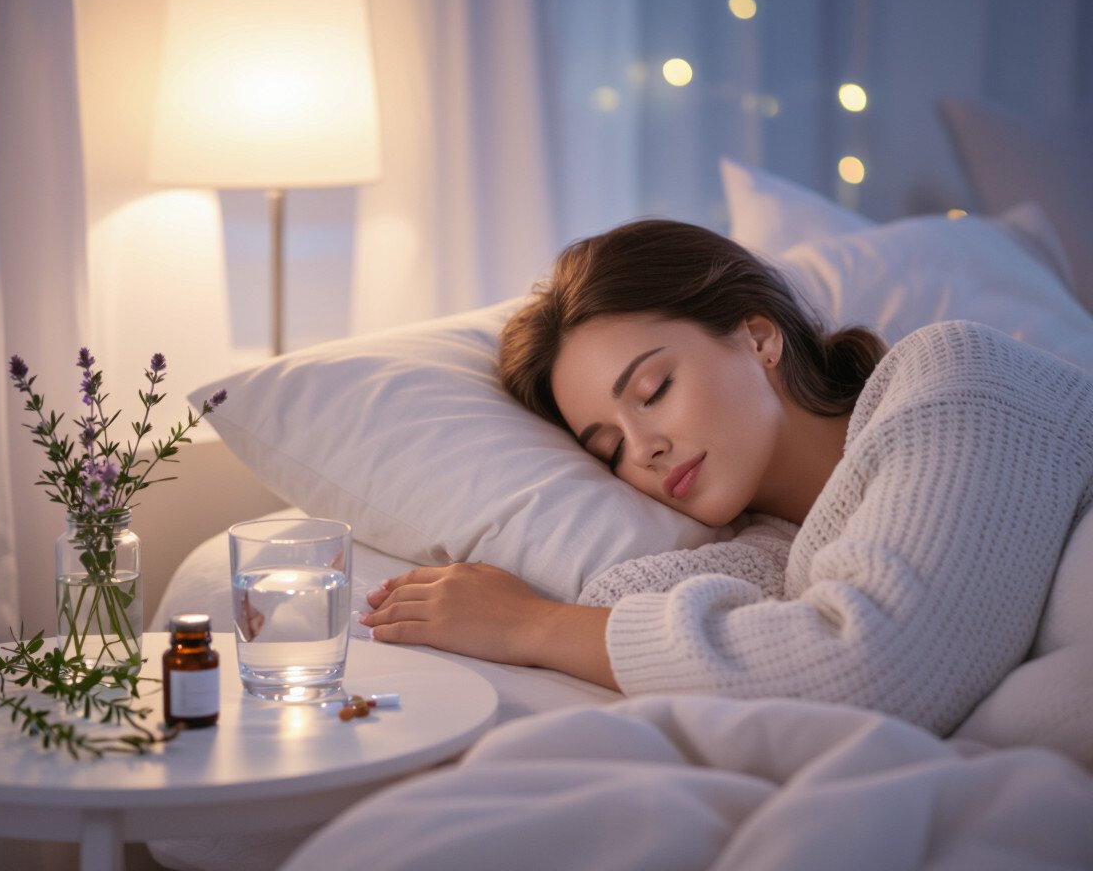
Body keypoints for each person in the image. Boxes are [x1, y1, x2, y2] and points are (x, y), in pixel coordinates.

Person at [359, 219, 1093, 735]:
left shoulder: (955, 375)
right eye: (608, 447)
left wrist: (531, 625)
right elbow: (623, 604)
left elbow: (874, 671)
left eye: (653, 391)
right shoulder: (779, 549)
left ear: (759, 336)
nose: (643, 448)